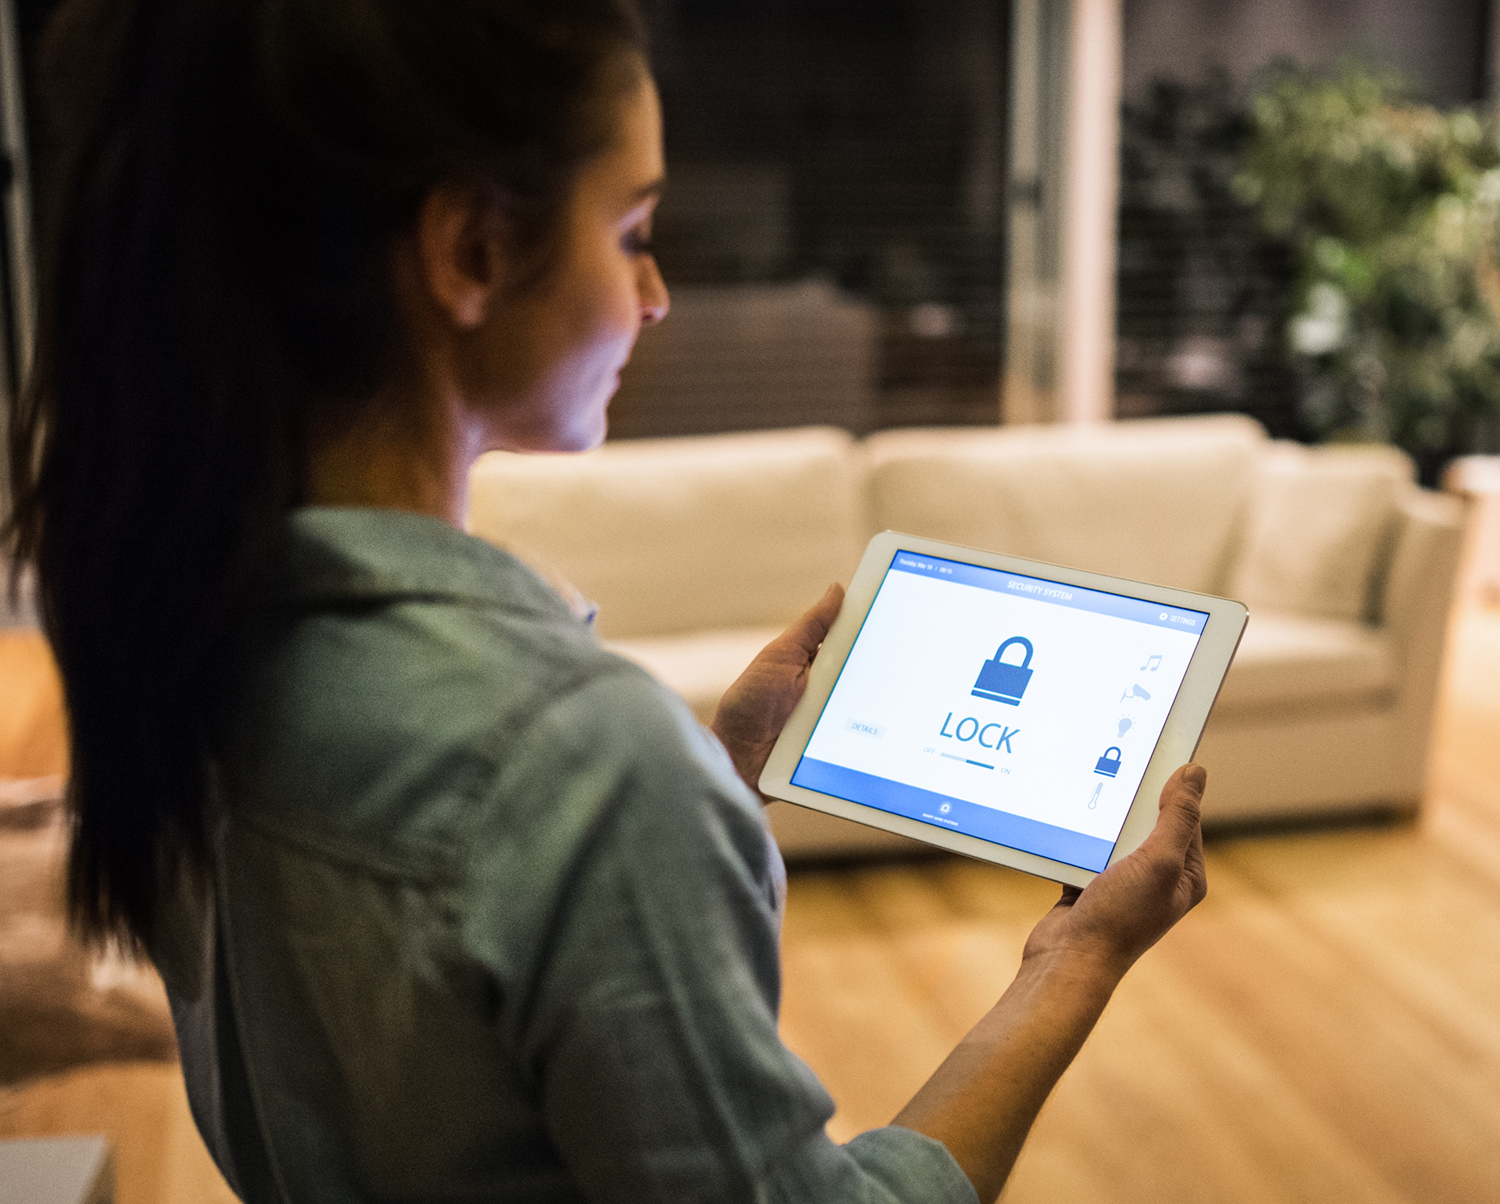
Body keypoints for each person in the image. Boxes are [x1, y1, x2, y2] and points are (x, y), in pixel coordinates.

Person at [4, 1, 1209, 1201]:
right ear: (473, 252)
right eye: (632, 228)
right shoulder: (571, 764)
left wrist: (706, 781)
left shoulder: (180, 629)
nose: (660, 291)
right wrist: (1077, 957)